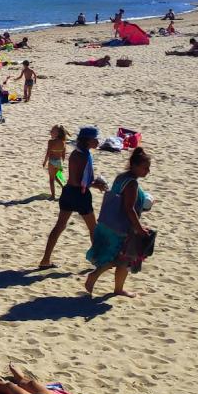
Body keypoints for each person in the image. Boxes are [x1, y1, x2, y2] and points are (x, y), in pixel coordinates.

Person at [85, 147, 154, 298]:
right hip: (122, 227)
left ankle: (117, 288)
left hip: (110, 223)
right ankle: (96, 276)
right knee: (123, 258)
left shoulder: (122, 177)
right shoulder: (132, 184)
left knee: (118, 257)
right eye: (145, 168)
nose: (148, 171)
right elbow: (129, 209)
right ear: (135, 166)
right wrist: (140, 229)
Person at [38, 126, 107, 269]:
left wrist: (93, 183)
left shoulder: (81, 152)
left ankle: (45, 260)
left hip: (69, 193)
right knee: (93, 229)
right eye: (95, 139)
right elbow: (77, 181)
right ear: (88, 140)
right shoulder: (80, 156)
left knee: (60, 226)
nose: (98, 141)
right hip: (78, 194)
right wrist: (95, 184)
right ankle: (97, 260)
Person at [43, 125, 68, 200]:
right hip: (59, 162)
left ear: (58, 133)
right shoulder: (63, 142)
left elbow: (48, 153)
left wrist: (44, 162)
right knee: (57, 176)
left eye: (52, 131)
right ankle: (64, 188)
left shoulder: (51, 142)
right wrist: (61, 163)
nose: (50, 132)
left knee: (51, 179)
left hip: (52, 162)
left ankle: (53, 196)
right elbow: (63, 154)